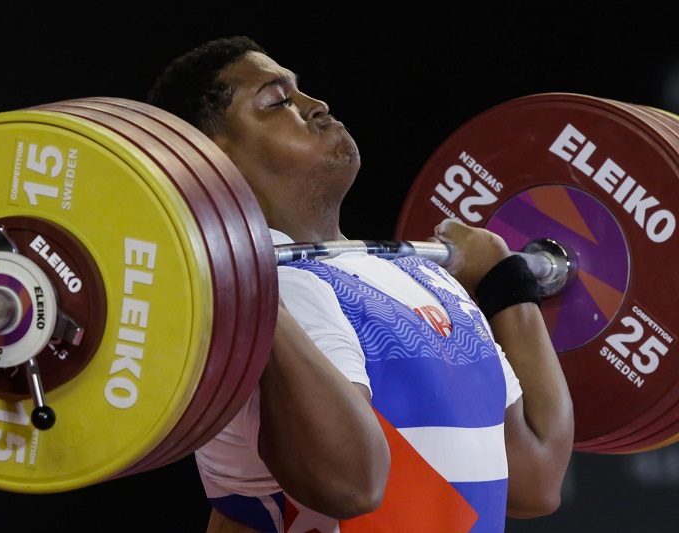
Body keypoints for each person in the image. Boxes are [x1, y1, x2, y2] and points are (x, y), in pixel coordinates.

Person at [145, 36, 574, 533]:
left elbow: (533, 479)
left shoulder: (429, 279)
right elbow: (350, 486)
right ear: (209, 157)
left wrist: (506, 284)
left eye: (301, 91)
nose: (316, 105)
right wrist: (244, 278)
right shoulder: (276, 290)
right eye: (277, 101)